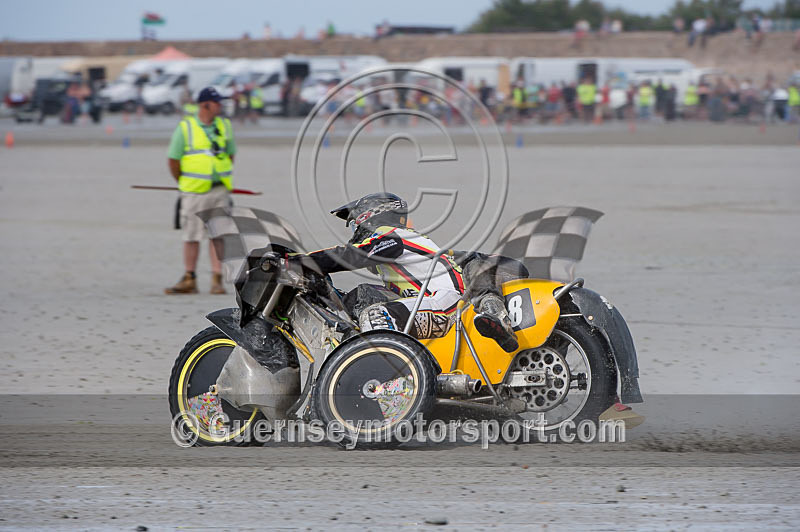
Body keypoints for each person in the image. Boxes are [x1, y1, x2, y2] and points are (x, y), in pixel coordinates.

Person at [285, 193, 520, 352]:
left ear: (368, 217)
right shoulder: (411, 248)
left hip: (447, 303)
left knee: (375, 316)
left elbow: (349, 256)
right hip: (433, 305)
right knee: (361, 297)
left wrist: (294, 262)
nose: (354, 230)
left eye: (354, 223)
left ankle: (387, 382)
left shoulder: (392, 236)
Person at [165, 87, 236, 295]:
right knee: (191, 235)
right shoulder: (185, 128)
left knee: (218, 235)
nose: (220, 106)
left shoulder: (225, 126)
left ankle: (216, 279)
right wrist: (185, 181)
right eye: (217, 103)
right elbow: (173, 160)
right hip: (194, 192)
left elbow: (230, 154)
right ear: (205, 104)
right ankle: (190, 277)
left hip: (219, 190)